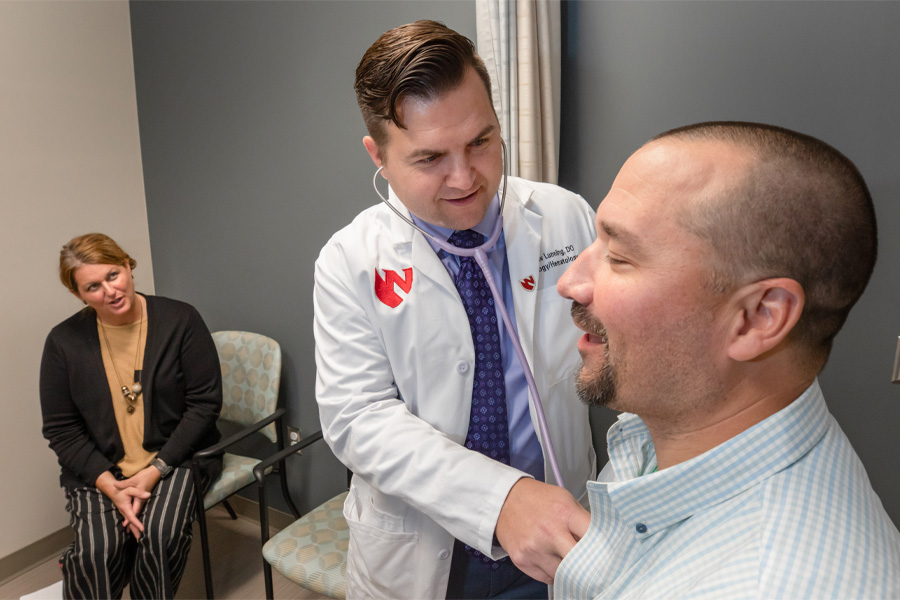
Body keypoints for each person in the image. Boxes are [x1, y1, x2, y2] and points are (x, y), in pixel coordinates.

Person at [554, 122, 900, 598]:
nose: (570, 283)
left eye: (618, 256)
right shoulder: (676, 426)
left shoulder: (766, 584)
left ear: (759, 318)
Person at [313, 20, 595, 599]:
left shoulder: (567, 218)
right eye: (430, 158)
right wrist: (501, 498)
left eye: (481, 141)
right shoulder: (349, 260)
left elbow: (621, 353)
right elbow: (357, 418)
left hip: (560, 539)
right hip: (422, 555)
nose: (466, 178)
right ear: (379, 155)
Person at [40, 233, 223, 599]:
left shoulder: (180, 319)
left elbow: (204, 404)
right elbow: (62, 431)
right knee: (97, 552)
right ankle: (81, 568)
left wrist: (154, 472)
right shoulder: (63, 342)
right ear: (79, 295)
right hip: (101, 468)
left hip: (176, 457)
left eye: (113, 275)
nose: (109, 290)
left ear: (127, 265)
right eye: (93, 286)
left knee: (159, 536)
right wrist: (111, 486)